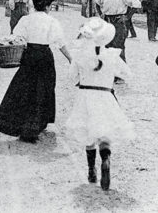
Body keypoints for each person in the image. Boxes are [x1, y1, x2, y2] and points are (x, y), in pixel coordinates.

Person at [0, 0, 72, 143]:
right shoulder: (52, 21)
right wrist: (70, 58)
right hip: (44, 56)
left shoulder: (25, 19)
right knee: (44, 88)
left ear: (34, 5)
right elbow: (60, 43)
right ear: (48, 5)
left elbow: (16, 38)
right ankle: (38, 125)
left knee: (25, 88)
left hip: (29, 56)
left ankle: (21, 125)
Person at [65, 17, 135, 190]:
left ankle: (91, 170)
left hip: (85, 95)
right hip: (105, 95)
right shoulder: (112, 55)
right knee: (105, 131)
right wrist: (109, 76)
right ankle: (105, 158)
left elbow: (71, 77)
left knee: (88, 132)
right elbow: (128, 75)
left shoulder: (80, 55)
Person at [95, 0, 142, 68]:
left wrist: (127, 16)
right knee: (107, 46)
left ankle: (121, 74)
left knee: (119, 47)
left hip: (119, 23)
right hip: (107, 22)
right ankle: (110, 72)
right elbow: (97, 3)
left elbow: (137, 4)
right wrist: (101, 14)